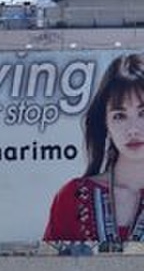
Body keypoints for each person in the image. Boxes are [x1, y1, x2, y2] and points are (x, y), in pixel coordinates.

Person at [44, 54, 144, 244]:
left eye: (143, 113)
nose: (133, 129)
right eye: (119, 116)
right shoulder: (71, 197)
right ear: (105, 122)